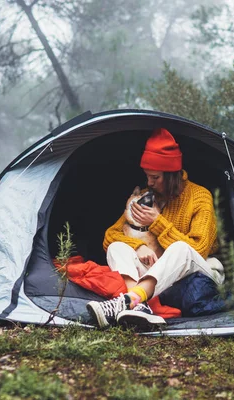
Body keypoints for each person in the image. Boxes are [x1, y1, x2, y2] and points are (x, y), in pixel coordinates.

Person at [86, 127, 223, 329]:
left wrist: (157, 222)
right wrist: (137, 246)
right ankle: (137, 304)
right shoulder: (147, 196)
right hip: (161, 273)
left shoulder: (200, 197)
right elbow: (110, 235)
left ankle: (128, 300)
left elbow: (199, 249)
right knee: (117, 247)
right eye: (147, 176)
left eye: (155, 177)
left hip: (198, 271)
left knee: (181, 248)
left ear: (171, 175)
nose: (149, 182)